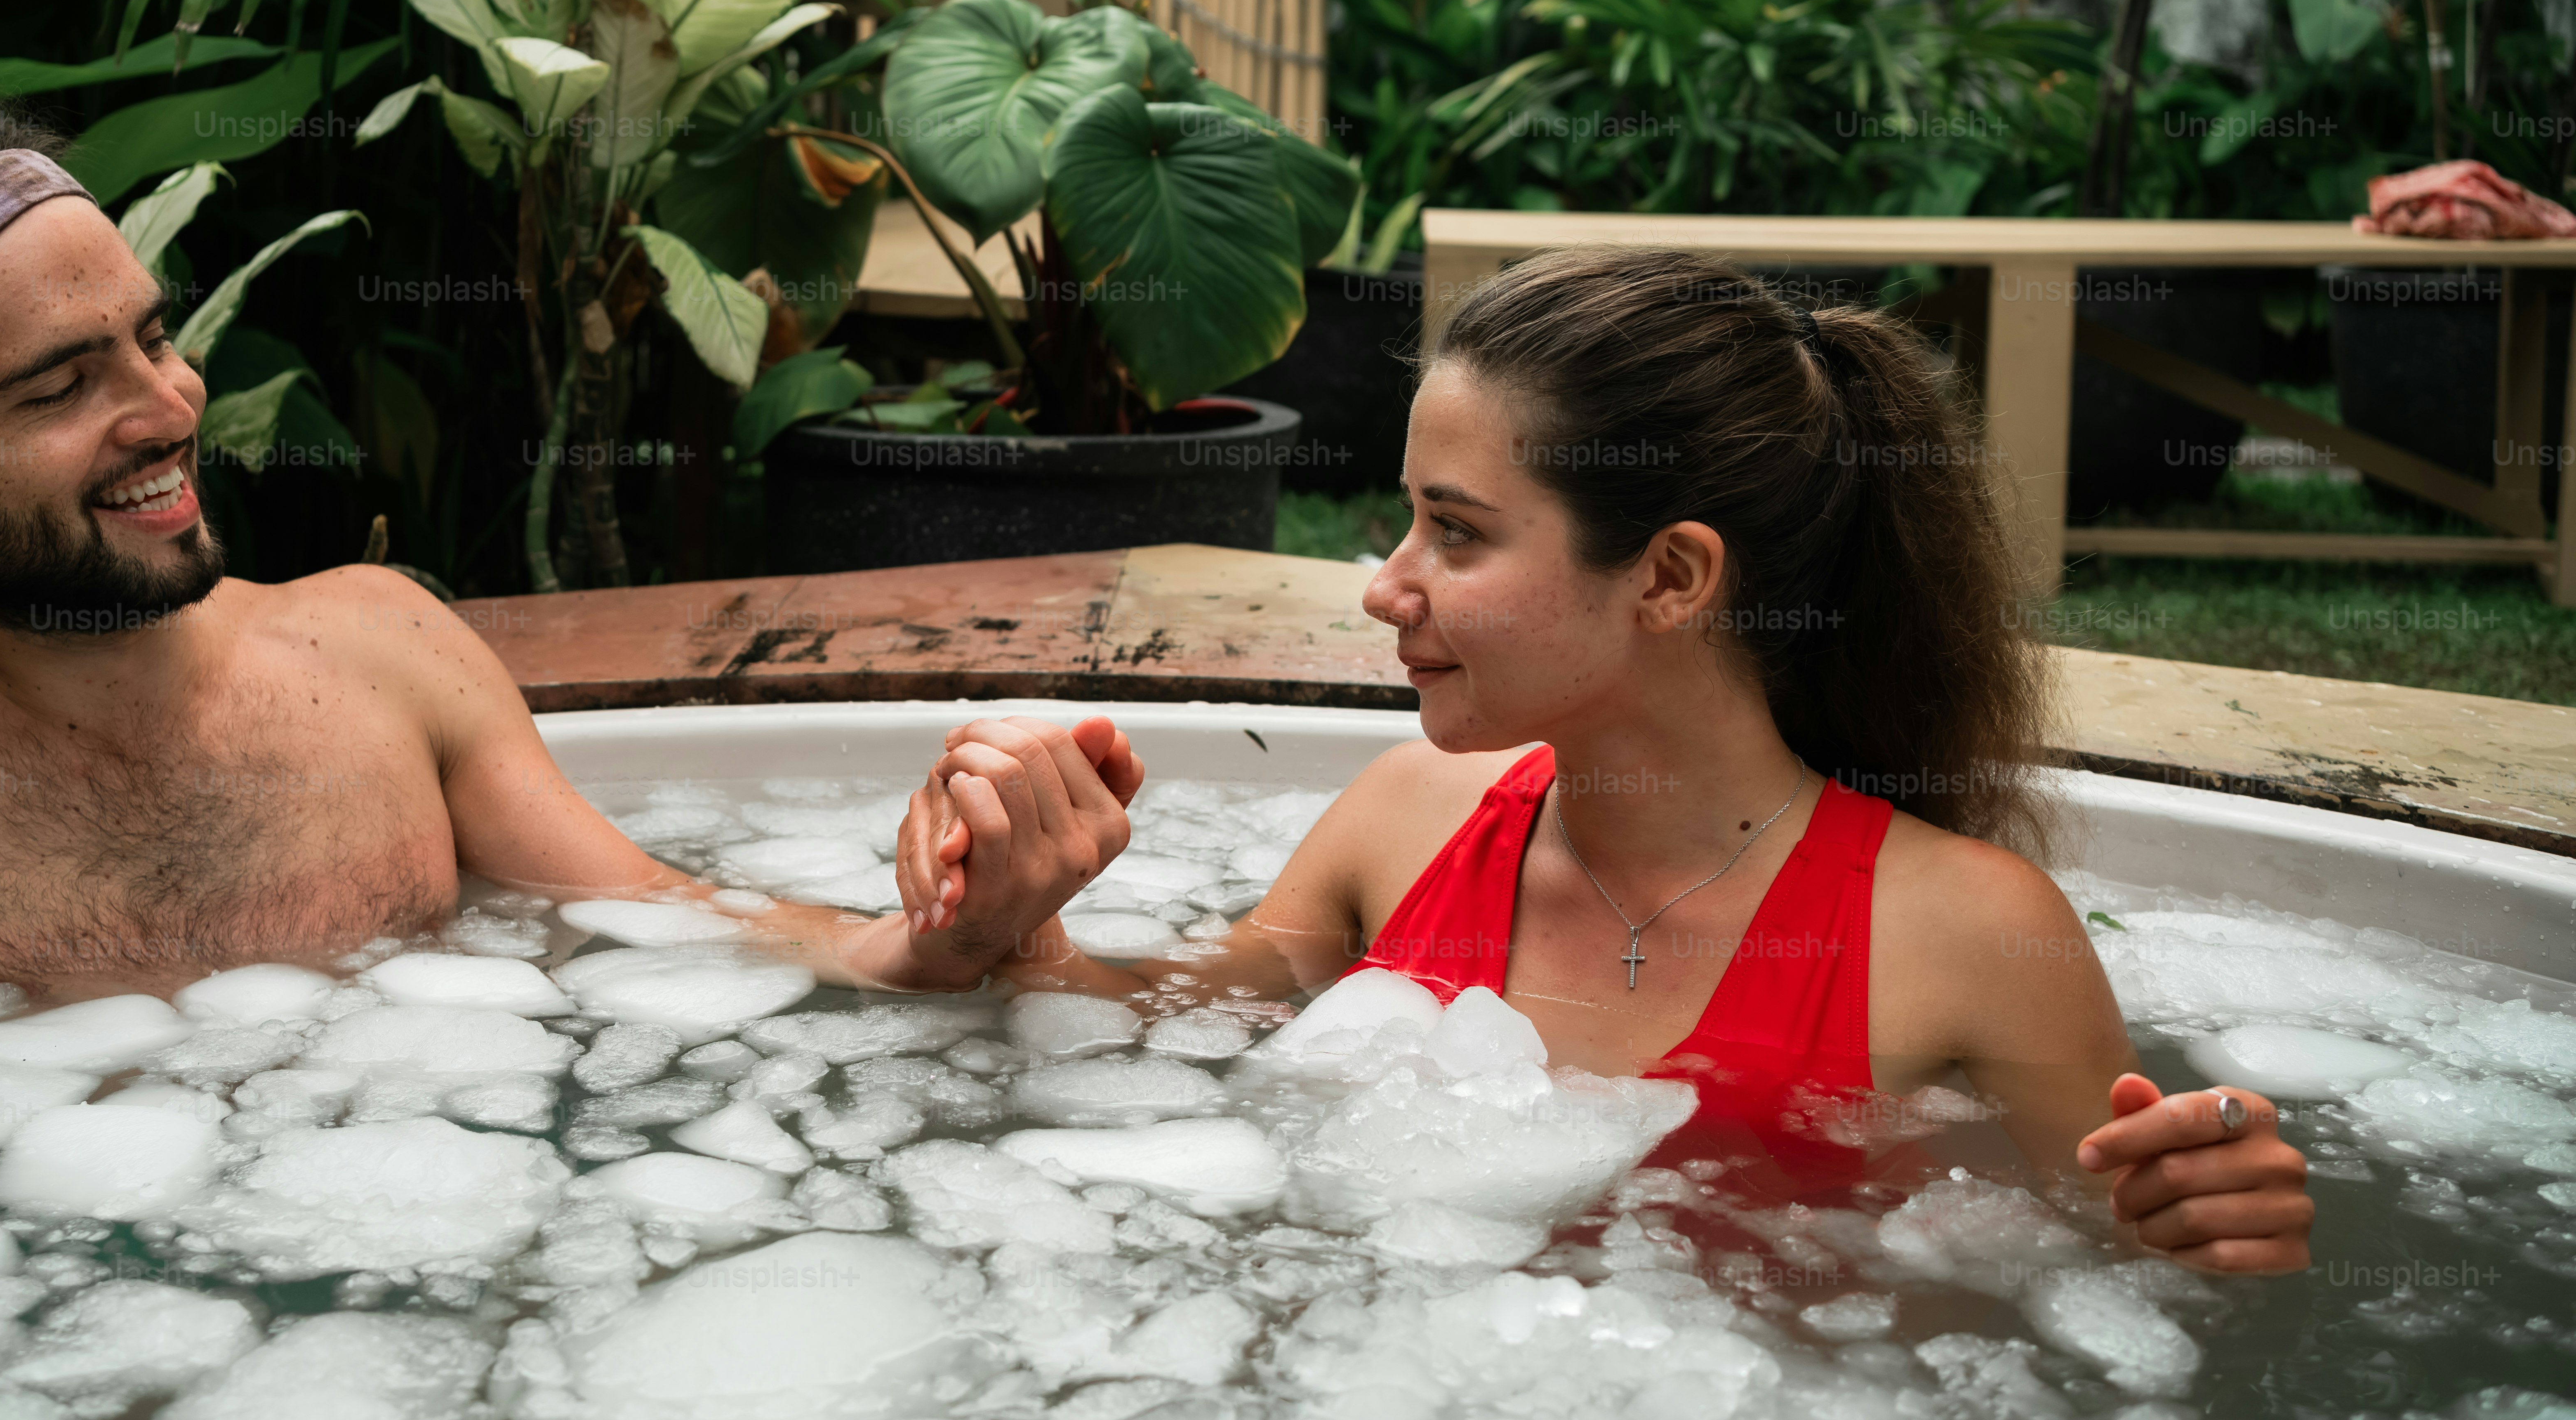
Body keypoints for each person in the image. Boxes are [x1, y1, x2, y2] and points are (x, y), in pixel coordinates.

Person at [0, 111, 1118, 1000]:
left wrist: (950, 939)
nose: (167, 408)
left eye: (153, 341)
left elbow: (662, 933)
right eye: (64, 382)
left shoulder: (379, 651)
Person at [893, 246, 2313, 1276]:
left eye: (1456, 532)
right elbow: (1150, 1026)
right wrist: (1014, 924)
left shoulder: (1965, 933)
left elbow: (2124, 1288)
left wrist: (2214, 1230)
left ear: (1673, 575)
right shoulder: (1404, 823)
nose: (1387, 588)